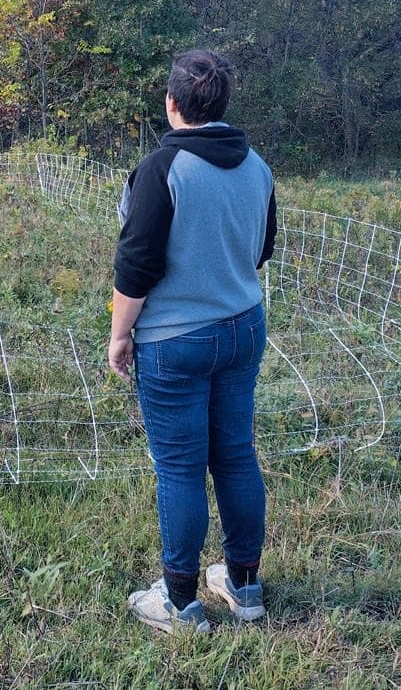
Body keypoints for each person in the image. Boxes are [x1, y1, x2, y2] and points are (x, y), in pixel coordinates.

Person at [109, 48, 277, 634]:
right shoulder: (256, 165)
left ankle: (180, 602)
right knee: (235, 456)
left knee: (180, 469)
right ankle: (244, 585)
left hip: (174, 341)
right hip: (243, 328)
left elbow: (136, 267)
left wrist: (119, 335)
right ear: (223, 103)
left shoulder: (162, 168)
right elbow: (262, 250)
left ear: (172, 103)